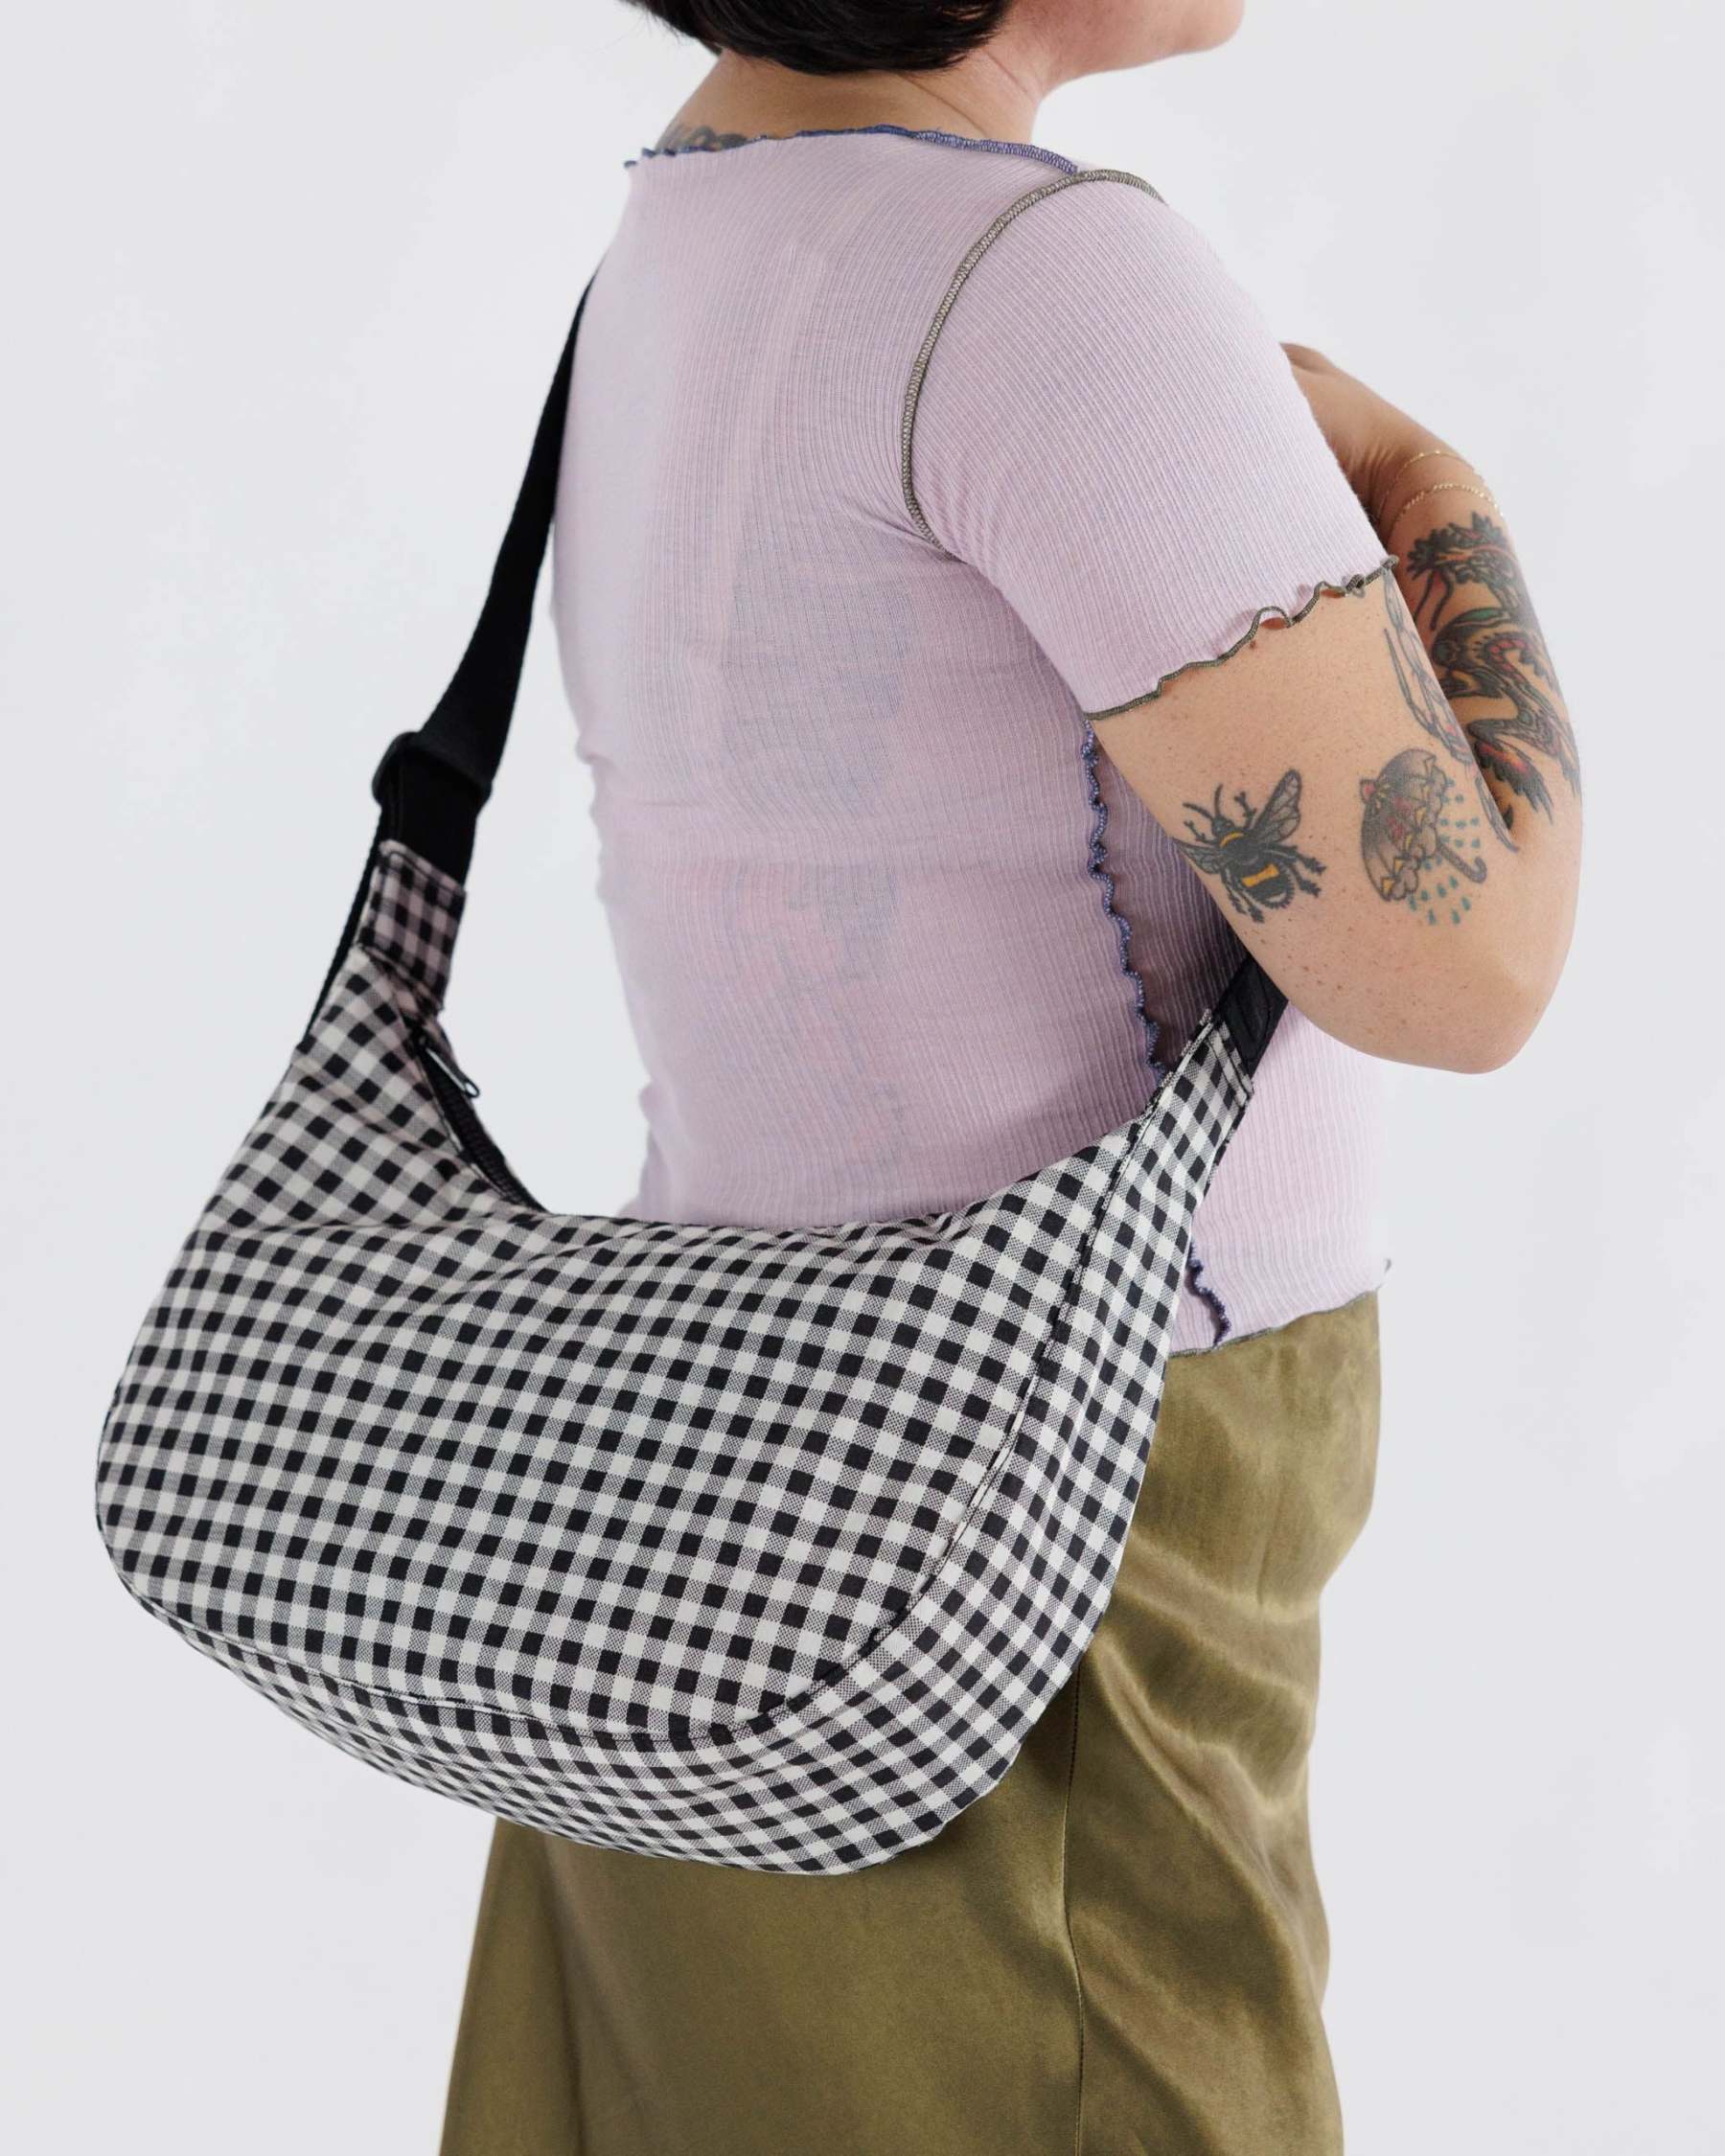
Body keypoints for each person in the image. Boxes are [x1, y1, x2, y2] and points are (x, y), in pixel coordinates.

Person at [438, 3, 1582, 2149]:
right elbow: (1470, 963)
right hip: (1041, 1535)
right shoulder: (1045, 281)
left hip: (677, 1505)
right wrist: (1442, 493)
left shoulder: (685, 225)